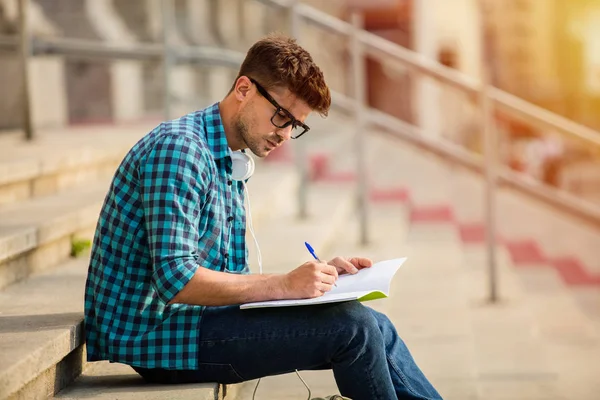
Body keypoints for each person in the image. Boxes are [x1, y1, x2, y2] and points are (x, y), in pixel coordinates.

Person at [84, 33, 442, 400]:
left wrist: (316, 283)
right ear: (243, 88)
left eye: (295, 126)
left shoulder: (226, 156)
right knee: (354, 328)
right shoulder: (181, 150)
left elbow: (223, 278)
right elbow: (176, 280)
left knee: (376, 325)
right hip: (157, 336)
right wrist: (285, 285)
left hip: (193, 322)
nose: (285, 135)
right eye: (281, 116)